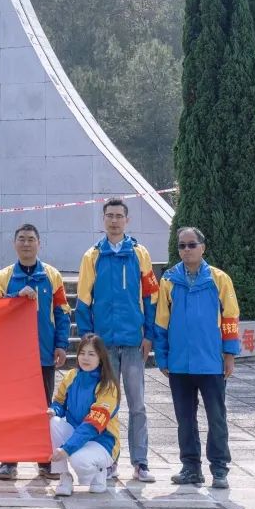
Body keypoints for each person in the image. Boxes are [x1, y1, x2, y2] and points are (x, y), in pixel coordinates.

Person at [75, 197, 159, 483]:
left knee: (137, 405)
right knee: (105, 405)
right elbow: (84, 301)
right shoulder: (92, 256)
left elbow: (151, 297)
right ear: (103, 220)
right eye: (109, 215)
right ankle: (108, 460)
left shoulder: (140, 253)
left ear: (127, 220)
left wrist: (149, 335)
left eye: (119, 216)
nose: (114, 220)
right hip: (105, 345)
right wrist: (90, 341)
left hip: (134, 343)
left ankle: (141, 462)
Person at [154, 225, 241, 489]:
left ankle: (219, 469)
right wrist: (163, 357)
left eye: (192, 245)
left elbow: (230, 318)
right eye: (182, 246)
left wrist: (229, 355)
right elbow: (161, 323)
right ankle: (191, 467)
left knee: (216, 417)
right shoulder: (169, 280)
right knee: (185, 419)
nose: (187, 250)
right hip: (180, 364)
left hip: (211, 362)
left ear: (202, 247)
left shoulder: (219, 279)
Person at [0, 222, 72, 481]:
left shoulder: (52, 275)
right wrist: (14, 297)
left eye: (31, 239)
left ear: (39, 243)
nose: (26, 243)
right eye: (22, 239)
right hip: (12, 357)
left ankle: (44, 460)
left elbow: (62, 313)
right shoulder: (2, 278)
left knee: (44, 409)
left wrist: (61, 344)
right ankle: (8, 461)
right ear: (15, 244)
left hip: (44, 354)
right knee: (10, 408)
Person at [48, 332, 120, 496]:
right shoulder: (71, 376)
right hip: (76, 435)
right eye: (82, 353)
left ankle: (100, 471)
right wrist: (54, 410)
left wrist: (67, 449)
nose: (85, 358)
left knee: (78, 460)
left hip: (103, 442)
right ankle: (64, 477)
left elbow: (93, 424)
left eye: (91, 354)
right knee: (53, 421)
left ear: (101, 357)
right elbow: (59, 402)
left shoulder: (107, 386)